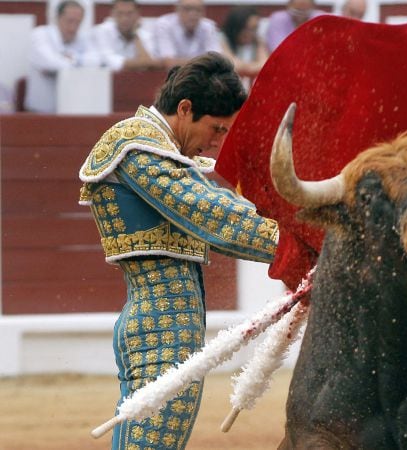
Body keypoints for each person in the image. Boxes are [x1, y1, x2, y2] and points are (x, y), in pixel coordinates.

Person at [77, 52, 278, 449]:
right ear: (185, 109)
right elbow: (214, 216)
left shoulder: (163, 152)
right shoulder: (135, 145)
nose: (218, 142)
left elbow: (228, 208)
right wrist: (298, 245)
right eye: (216, 129)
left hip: (169, 328)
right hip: (159, 330)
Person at [25, 0, 101, 113]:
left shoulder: (82, 38)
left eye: (78, 22)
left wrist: (74, 58)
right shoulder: (40, 34)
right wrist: (78, 65)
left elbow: (97, 61)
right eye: (69, 21)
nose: (73, 28)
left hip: (72, 111)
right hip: (39, 113)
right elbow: (50, 63)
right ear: (57, 18)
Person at [91, 0, 163, 71]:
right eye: (120, 13)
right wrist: (145, 63)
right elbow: (110, 61)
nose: (124, 18)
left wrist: (135, 36)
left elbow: (152, 64)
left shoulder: (146, 35)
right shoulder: (101, 31)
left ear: (138, 14)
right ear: (112, 14)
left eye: (130, 13)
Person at [152, 0, 222, 67]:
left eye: (198, 10)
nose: (193, 14)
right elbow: (169, 63)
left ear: (204, 12)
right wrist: (205, 62)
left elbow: (216, 60)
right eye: (187, 9)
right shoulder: (164, 25)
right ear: (177, 10)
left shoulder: (208, 26)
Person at [220, 5, 268, 83]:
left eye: (255, 28)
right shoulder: (222, 39)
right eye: (247, 29)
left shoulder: (257, 41)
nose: (251, 33)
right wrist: (252, 68)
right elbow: (233, 66)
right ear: (236, 27)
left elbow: (266, 67)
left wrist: (260, 44)